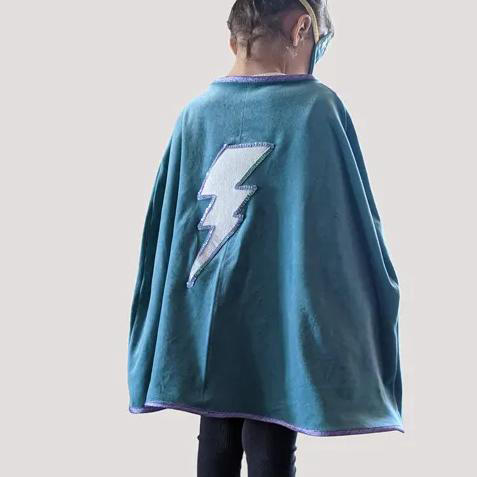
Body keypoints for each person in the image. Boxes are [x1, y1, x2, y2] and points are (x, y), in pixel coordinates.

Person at [127, 1, 404, 476]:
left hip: (209, 317)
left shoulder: (194, 115)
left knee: (216, 434)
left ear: (235, 37)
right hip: (277, 318)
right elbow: (349, 229)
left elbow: (164, 238)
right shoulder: (316, 110)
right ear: (301, 29)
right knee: (271, 443)